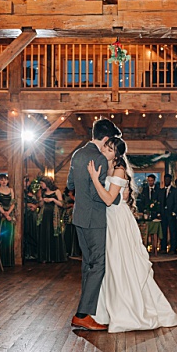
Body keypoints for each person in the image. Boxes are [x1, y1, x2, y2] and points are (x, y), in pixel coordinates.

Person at [86, 136, 177, 333]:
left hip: (117, 219)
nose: (105, 151)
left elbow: (110, 199)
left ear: (117, 154)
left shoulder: (119, 169)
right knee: (110, 263)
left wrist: (95, 179)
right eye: (105, 148)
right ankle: (106, 309)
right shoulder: (106, 166)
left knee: (121, 263)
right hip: (108, 219)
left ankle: (128, 309)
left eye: (110, 150)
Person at [67, 118, 122, 331]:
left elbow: (71, 185)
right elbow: (96, 194)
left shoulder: (77, 154)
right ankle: (82, 314)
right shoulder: (98, 158)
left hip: (79, 217)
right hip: (95, 219)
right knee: (99, 264)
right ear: (107, 138)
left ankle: (90, 308)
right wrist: (115, 198)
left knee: (87, 264)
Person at [38, 178, 66, 263]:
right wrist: (42, 200)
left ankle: (54, 257)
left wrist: (53, 200)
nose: (41, 185)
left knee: (53, 234)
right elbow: (40, 205)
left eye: (42, 183)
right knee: (44, 234)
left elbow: (62, 204)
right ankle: (44, 257)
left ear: (47, 183)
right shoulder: (42, 192)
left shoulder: (56, 191)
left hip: (53, 216)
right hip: (44, 216)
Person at [0, 174, 16, 266]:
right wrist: (4, 213)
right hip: (0, 215)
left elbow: (13, 202)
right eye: (1, 180)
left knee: (10, 237)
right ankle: (0, 260)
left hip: (10, 215)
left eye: (5, 180)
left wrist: (8, 213)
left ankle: (9, 260)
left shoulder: (11, 190)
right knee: (1, 236)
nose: (4, 182)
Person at [161, 174, 177, 255]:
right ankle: (163, 248)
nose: (166, 181)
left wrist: (174, 211)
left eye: (168, 180)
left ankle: (173, 248)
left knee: (173, 232)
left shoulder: (175, 191)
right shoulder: (161, 191)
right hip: (163, 214)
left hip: (171, 214)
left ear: (170, 180)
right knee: (163, 231)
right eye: (165, 179)